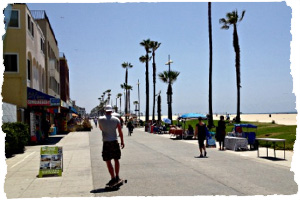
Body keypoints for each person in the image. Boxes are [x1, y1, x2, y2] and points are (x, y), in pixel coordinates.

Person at [98, 105, 125, 187]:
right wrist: (122, 142)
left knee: (108, 161)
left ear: (105, 110)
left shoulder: (100, 119)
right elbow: (120, 132)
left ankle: (113, 178)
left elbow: (101, 128)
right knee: (116, 159)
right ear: (111, 111)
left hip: (106, 142)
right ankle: (117, 177)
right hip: (114, 141)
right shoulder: (116, 119)